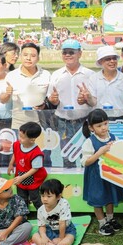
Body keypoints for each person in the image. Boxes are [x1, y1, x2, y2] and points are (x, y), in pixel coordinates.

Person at [47, 39, 94, 167]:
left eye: (71, 52)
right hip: (64, 122)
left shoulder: (90, 74)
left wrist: (87, 98)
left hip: (84, 122)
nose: (68, 55)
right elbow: (51, 98)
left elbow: (95, 100)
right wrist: (53, 100)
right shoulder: (56, 75)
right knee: (67, 158)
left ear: (80, 53)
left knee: (87, 157)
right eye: (65, 52)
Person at [80, 109, 123, 236]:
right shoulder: (89, 141)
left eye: (105, 123)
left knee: (110, 196)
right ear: (91, 128)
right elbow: (86, 162)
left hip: (110, 174)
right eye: (99, 125)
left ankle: (110, 219)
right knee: (98, 199)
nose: (103, 127)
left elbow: (121, 152)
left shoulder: (114, 137)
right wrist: (100, 152)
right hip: (96, 176)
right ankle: (102, 223)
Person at [1, 43, 51, 130]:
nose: (28, 58)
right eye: (25, 55)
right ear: (20, 56)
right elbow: (2, 100)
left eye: (33, 55)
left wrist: (44, 105)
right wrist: (7, 94)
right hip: (18, 126)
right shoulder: (11, 75)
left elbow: (51, 99)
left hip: (41, 125)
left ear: (38, 58)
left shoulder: (46, 75)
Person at [30, 179, 76, 245]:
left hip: (66, 229)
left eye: (49, 196)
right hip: (50, 229)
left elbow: (62, 223)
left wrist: (61, 238)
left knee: (68, 241)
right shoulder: (41, 209)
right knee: (34, 236)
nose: (44, 199)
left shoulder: (64, 204)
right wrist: (44, 236)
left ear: (58, 196)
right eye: (42, 196)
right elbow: (42, 226)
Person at [7, 122, 47, 209]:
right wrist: (11, 164)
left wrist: (22, 177)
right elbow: (15, 153)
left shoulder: (36, 153)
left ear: (32, 139)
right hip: (20, 178)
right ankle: (23, 216)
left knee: (35, 198)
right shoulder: (17, 144)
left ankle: (43, 214)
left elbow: (35, 169)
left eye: (22, 137)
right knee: (21, 198)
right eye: (19, 135)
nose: (19, 139)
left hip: (33, 180)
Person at [85, 46, 123, 120]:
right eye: (108, 59)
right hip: (100, 119)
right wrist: (89, 97)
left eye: (114, 58)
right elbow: (93, 102)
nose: (112, 61)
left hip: (121, 118)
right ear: (100, 62)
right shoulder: (93, 78)